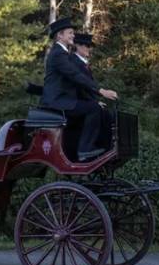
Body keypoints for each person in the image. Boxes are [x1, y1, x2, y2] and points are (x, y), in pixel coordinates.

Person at [40, 18, 118, 161]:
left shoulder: (63, 54)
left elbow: (77, 80)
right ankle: (84, 150)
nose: (73, 36)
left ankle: (97, 147)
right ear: (60, 35)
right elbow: (75, 75)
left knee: (96, 108)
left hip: (65, 100)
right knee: (93, 108)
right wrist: (101, 91)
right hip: (57, 102)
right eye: (70, 33)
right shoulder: (58, 54)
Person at [70, 32, 114, 150]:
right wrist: (94, 102)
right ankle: (87, 147)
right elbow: (80, 86)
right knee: (98, 110)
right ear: (78, 46)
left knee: (108, 114)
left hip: (85, 100)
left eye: (90, 46)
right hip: (75, 101)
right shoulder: (74, 62)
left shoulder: (83, 63)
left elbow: (88, 87)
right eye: (86, 46)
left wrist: (96, 100)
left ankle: (105, 146)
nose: (89, 49)